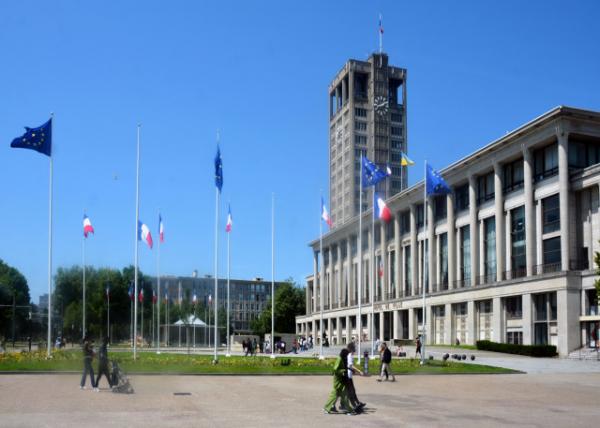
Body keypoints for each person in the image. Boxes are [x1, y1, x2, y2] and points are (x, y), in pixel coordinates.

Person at [323, 348, 355, 415]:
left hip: (341, 380)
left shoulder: (343, 359)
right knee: (342, 394)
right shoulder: (339, 359)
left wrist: (350, 369)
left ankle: (327, 408)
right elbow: (335, 369)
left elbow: (345, 367)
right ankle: (349, 410)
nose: (347, 356)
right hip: (338, 380)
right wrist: (343, 371)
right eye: (346, 355)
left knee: (336, 394)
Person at [345, 342, 365, 410]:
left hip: (349, 375)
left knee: (352, 390)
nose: (355, 349)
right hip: (348, 375)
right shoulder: (349, 355)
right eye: (354, 348)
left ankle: (357, 403)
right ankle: (354, 405)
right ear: (352, 349)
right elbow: (351, 365)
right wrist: (359, 371)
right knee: (350, 391)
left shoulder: (349, 355)